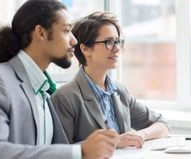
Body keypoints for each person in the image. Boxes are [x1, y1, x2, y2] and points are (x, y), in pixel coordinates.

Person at [0, 1, 119, 159]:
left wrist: (94, 146)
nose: (74, 41)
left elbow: (45, 150)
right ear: (41, 33)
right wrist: (80, 152)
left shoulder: (42, 88)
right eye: (66, 31)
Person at [51, 12, 170, 149]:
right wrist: (114, 142)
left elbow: (162, 124)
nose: (117, 48)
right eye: (109, 42)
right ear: (85, 49)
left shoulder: (119, 90)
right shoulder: (65, 97)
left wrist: (141, 135)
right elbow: (59, 151)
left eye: (118, 41)